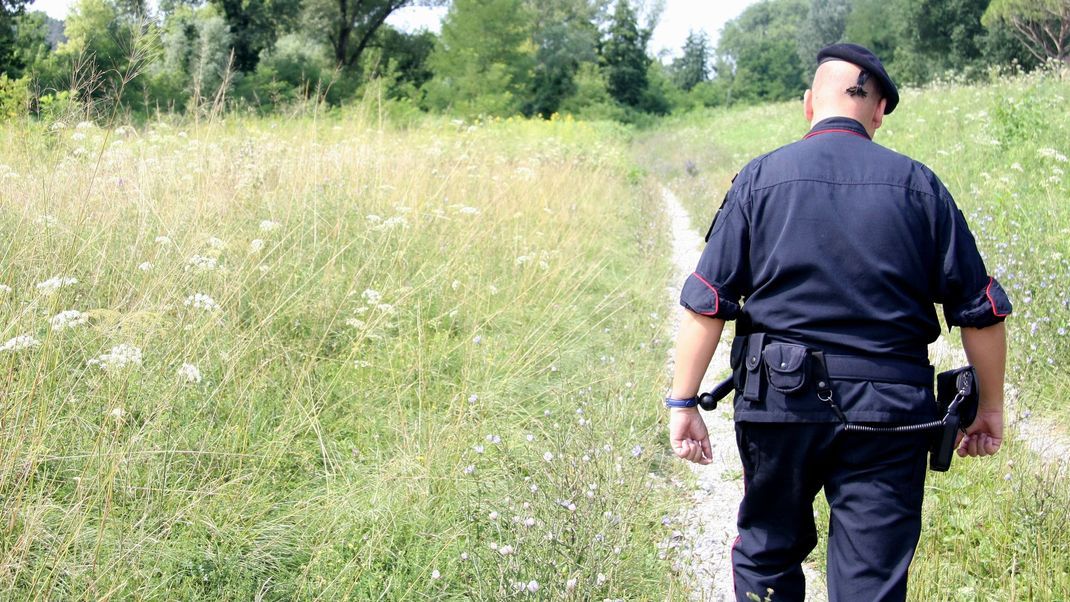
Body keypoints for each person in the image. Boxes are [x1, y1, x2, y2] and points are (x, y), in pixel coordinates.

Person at [664, 44, 1011, 602]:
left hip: (780, 402)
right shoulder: (920, 186)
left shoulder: (760, 179)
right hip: (891, 413)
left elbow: (707, 301)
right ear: (878, 112)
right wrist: (989, 409)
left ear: (808, 105)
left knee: (768, 553)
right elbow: (980, 311)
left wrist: (684, 403)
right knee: (872, 582)